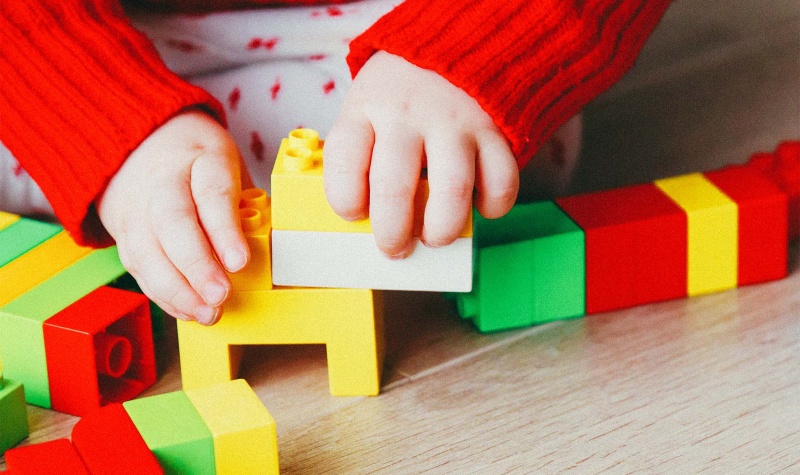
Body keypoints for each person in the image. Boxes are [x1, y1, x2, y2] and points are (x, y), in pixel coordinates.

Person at [0, 0, 672, 325]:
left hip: (395, 24)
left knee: (431, 154)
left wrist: (475, 48)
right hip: (92, 33)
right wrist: (104, 121)